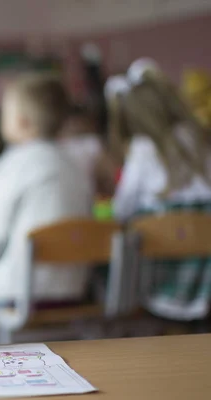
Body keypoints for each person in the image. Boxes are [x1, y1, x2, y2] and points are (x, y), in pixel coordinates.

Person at [0, 73, 93, 307]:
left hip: (18, 291)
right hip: (73, 287)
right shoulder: (76, 164)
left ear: (21, 121)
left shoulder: (10, 164)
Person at [108, 58, 211, 320]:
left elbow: (122, 210)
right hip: (206, 279)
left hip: (162, 278)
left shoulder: (142, 151)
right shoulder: (201, 139)